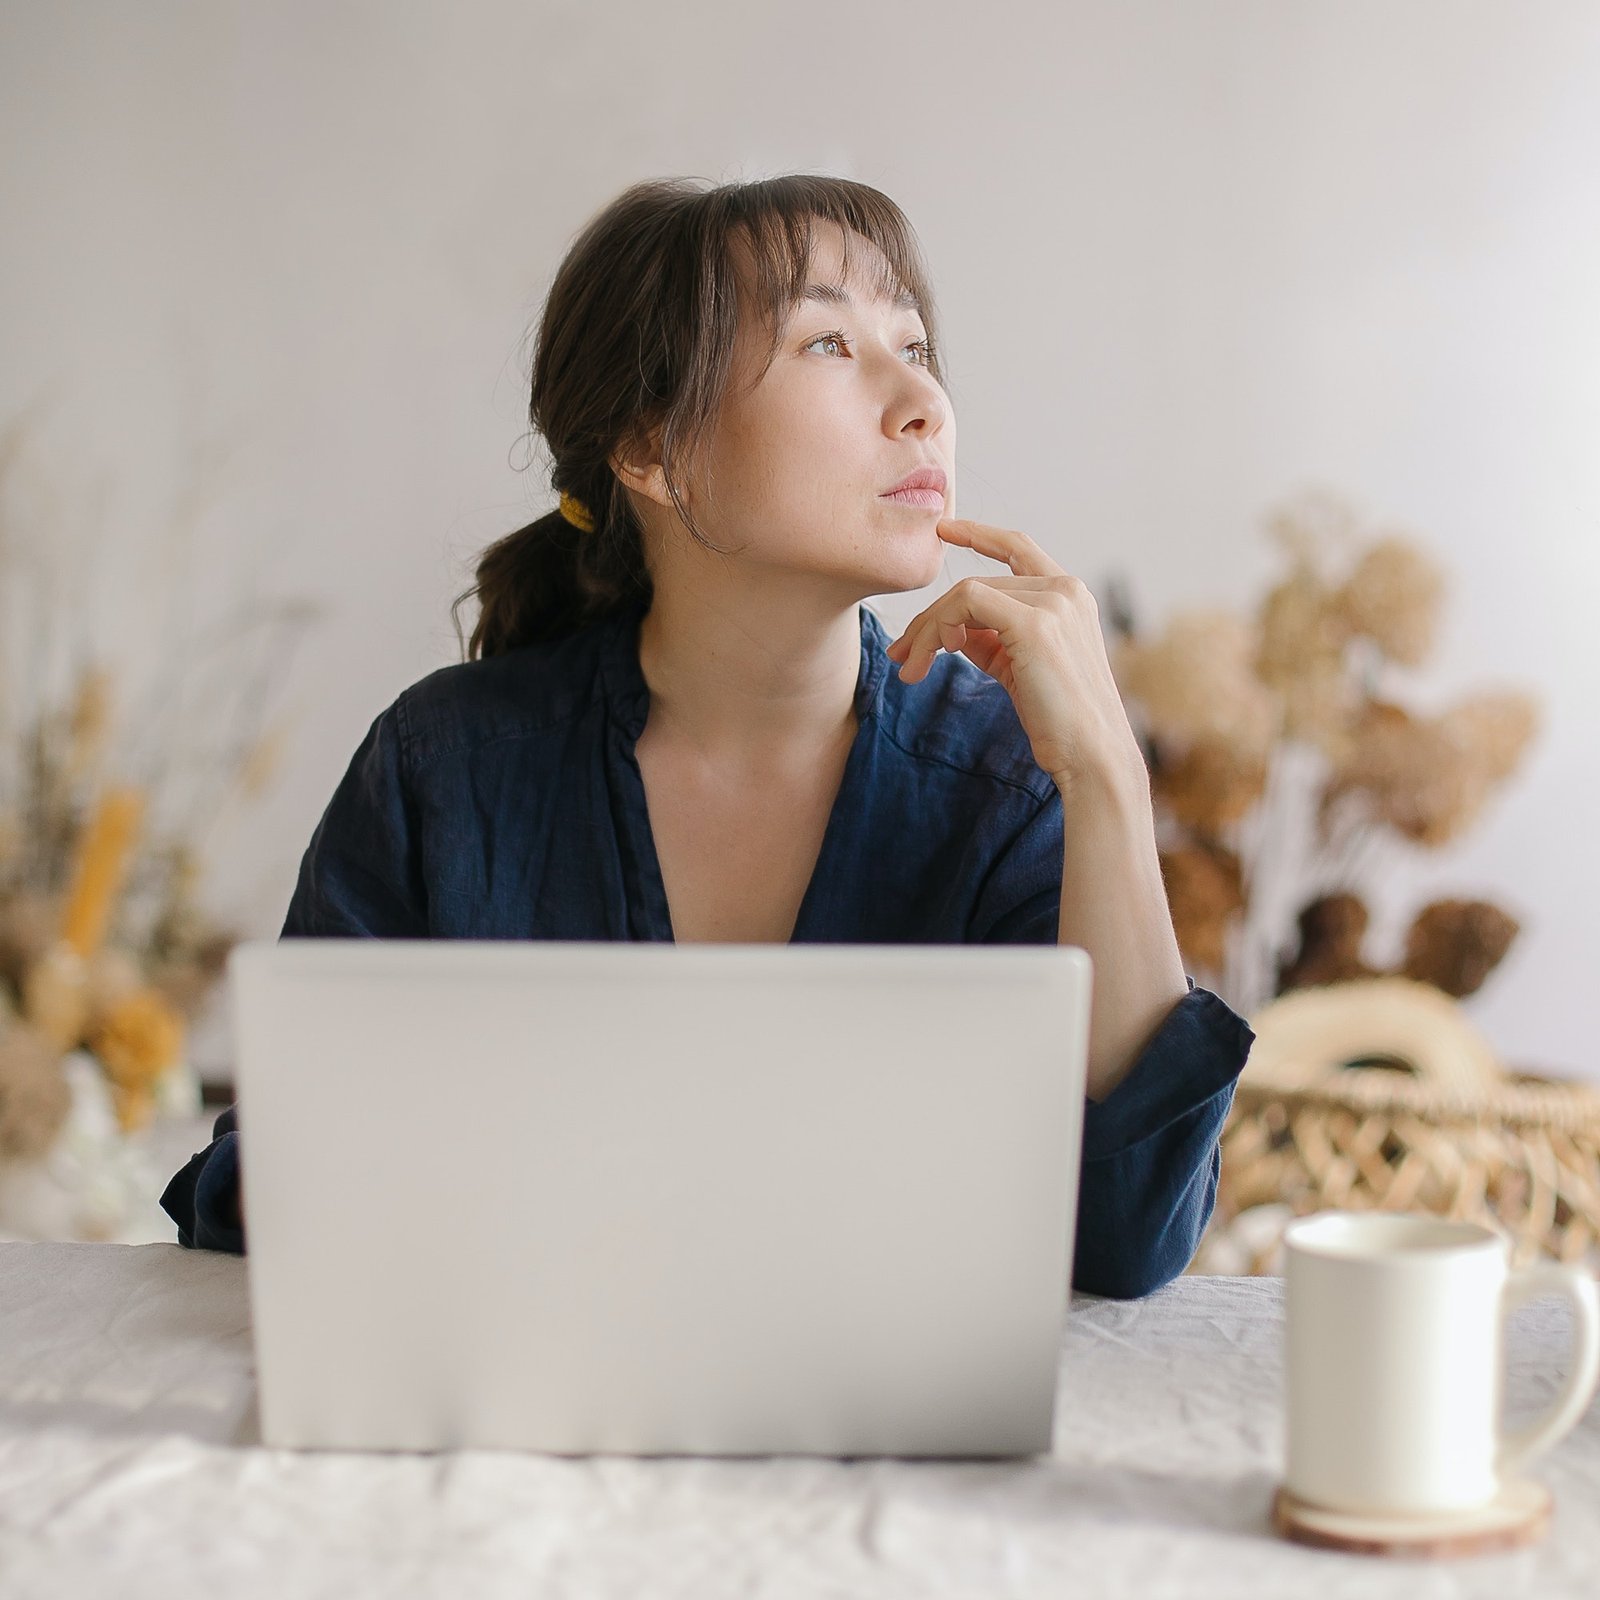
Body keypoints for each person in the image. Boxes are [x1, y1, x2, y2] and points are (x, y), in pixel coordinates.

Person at [162, 173, 1254, 1297]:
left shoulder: (1003, 781)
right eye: (828, 344)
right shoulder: (443, 771)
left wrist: (1109, 775)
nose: (919, 400)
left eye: (915, 344)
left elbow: (1125, 1241)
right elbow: (268, 1192)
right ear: (653, 448)